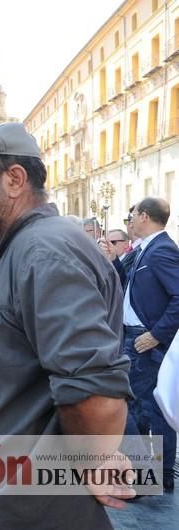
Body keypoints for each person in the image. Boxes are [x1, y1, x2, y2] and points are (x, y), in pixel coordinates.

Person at [0, 122, 134, 528]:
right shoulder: (25, 248)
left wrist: (94, 458)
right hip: (5, 498)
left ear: (15, 179)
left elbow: (95, 392)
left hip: (22, 509)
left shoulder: (44, 250)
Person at [118, 197, 179, 491]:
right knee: (142, 408)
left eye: (132, 214)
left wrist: (156, 334)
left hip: (146, 341)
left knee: (148, 409)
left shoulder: (162, 249)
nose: (130, 220)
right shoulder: (148, 249)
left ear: (144, 215)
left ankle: (154, 474)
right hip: (135, 338)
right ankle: (149, 473)